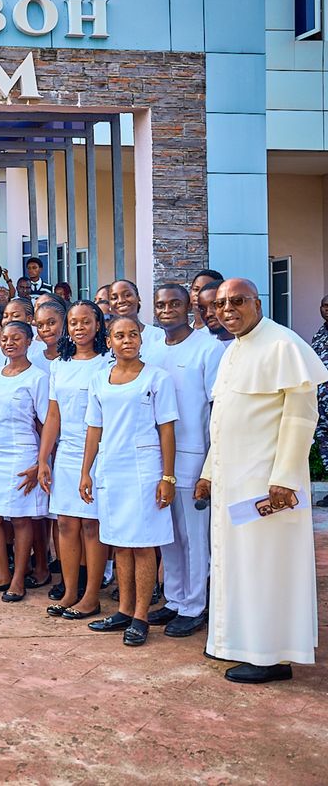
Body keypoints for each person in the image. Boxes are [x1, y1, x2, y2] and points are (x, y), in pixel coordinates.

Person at [194, 278, 328, 682]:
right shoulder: (234, 350)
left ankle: (271, 656)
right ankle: (242, 644)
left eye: (237, 301)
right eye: (220, 304)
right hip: (236, 481)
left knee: (267, 568)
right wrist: (208, 473)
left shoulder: (283, 345)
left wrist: (285, 478)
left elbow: (302, 417)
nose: (228, 309)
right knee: (239, 567)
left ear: (257, 303)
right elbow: (225, 421)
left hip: (268, 485)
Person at [79, 315, 178, 648]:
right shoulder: (99, 379)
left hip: (145, 470)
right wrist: (85, 471)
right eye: (119, 335)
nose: (127, 340)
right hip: (111, 468)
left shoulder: (156, 378)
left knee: (144, 544)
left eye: (133, 334)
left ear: (141, 339)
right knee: (120, 542)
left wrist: (167, 476)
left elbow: (167, 429)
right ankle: (122, 610)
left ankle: (141, 616)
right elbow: (94, 428)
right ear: (109, 342)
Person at [141, 284, 225, 638]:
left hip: (193, 455)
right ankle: (174, 600)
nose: (167, 310)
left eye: (175, 303)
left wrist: (210, 463)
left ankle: (194, 606)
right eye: (161, 304)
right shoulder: (152, 349)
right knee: (168, 535)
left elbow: (216, 408)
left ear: (189, 306)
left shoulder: (208, 348)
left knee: (194, 536)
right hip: (157, 457)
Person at [37, 301, 110, 620]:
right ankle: (69, 591)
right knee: (66, 522)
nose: (79, 328)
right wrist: (43, 459)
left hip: (98, 450)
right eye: (74, 322)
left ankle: (92, 596)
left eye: (86, 322)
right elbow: (53, 415)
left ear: (98, 325)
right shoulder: (60, 364)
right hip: (66, 451)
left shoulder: (108, 362)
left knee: (91, 525)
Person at [0, 322, 50, 601]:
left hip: (23, 452)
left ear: (29, 341)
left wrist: (41, 461)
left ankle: (18, 580)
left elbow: (45, 423)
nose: (9, 342)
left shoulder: (37, 377)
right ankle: (2, 573)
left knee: (20, 517)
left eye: (16, 338)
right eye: (5, 338)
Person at [314, 294, 328, 504]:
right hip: (321, 405)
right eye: (324, 306)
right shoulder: (320, 334)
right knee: (325, 445)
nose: (327, 309)